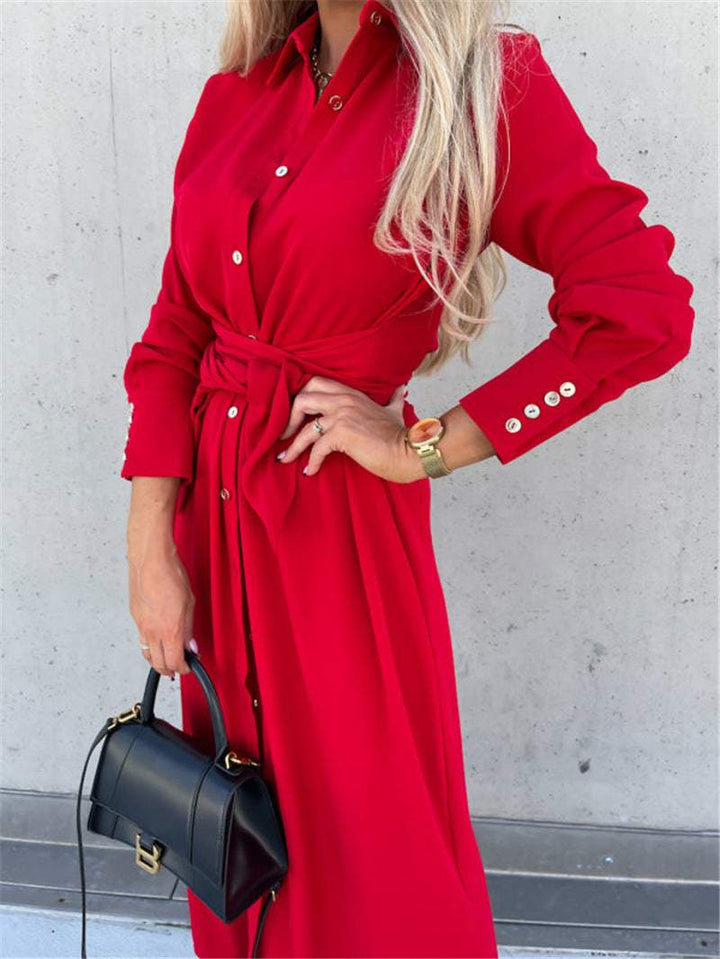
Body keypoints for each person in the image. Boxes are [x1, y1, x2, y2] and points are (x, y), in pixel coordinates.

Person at [120, 1, 695, 956]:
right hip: (212, 531)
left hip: (337, 530)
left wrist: (422, 445)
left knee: (370, 843)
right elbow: (175, 329)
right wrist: (149, 546)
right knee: (229, 823)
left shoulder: (484, 87)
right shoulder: (241, 90)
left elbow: (641, 305)